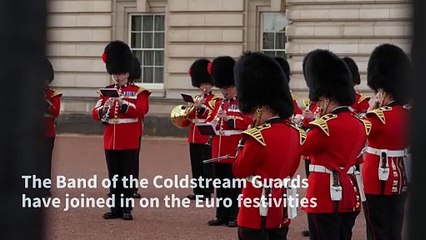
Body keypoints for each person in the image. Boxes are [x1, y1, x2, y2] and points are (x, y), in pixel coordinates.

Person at [232, 52, 304, 240]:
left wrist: (243, 142)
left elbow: (240, 169)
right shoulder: (296, 132)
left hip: (255, 211)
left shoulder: (258, 136)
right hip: (280, 208)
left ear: (261, 108)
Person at [301, 49, 369, 240]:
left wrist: (303, 126)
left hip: (323, 195)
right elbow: (359, 157)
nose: (319, 104)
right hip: (348, 193)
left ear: (328, 98)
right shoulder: (358, 123)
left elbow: (303, 147)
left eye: (321, 100)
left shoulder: (325, 124)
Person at [92, 41, 150, 220]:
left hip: (129, 138)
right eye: (115, 74)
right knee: (114, 175)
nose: (118, 77)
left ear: (128, 73)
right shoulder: (106, 92)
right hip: (111, 139)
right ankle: (115, 208)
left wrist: (124, 104)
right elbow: (95, 113)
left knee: (127, 175)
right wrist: (105, 108)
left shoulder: (138, 92)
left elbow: (142, 110)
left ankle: (126, 209)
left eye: (121, 73)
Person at [362, 43, 411, 240]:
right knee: (394, 230)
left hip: (376, 180)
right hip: (400, 178)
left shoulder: (376, 117)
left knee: (376, 232)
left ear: (381, 89)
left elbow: (357, 136)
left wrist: (371, 108)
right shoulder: (409, 115)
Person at [203, 56, 252, 227]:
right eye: (223, 88)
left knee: (234, 186)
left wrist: (230, 120)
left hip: (234, 148)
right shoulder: (217, 103)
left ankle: (234, 215)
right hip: (218, 148)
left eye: (228, 88)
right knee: (221, 185)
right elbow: (209, 118)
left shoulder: (244, 103)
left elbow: (249, 122)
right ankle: (221, 214)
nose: (225, 91)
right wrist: (211, 124)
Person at [185, 59, 216, 200]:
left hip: (206, 136)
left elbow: (211, 114)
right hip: (194, 135)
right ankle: (197, 190)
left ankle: (207, 190)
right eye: (202, 84)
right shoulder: (196, 98)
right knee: (196, 164)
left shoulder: (215, 100)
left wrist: (201, 107)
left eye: (207, 84)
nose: (205, 87)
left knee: (206, 164)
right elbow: (189, 117)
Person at [43, 58, 62, 197]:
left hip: (47, 131)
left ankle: (45, 187)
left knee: (45, 160)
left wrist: (45, 102)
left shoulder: (53, 94)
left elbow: (55, 111)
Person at [128, 56, 143, 199]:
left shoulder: (138, 91)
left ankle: (132, 187)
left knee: (133, 160)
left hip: (135, 129)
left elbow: (140, 110)